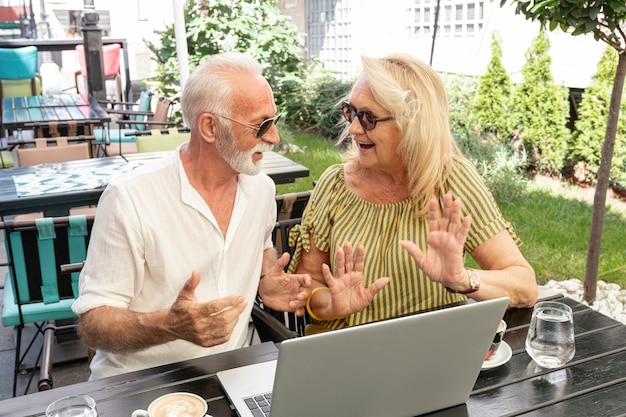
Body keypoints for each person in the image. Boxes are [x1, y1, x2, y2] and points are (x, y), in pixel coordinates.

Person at [72, 52, 311, 379]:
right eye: (261, 125)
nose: (274, 137)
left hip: (230, 375)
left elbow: (259, 246)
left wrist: (267, 280)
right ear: (210, 127)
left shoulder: (261, 190)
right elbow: (93, 324)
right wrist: (169, 326)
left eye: (274, 120)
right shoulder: (130, 197)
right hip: (140, 385)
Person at [289, 53, 538, 334]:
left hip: (431, 356)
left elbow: (525, 286)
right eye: (351, 111)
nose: (353, 128)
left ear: (413, 123)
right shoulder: (334, 185)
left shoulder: (451, 181)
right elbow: (308, 283)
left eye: (369, 118)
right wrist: (334, 305)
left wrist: (463, 279)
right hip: (345, 357)